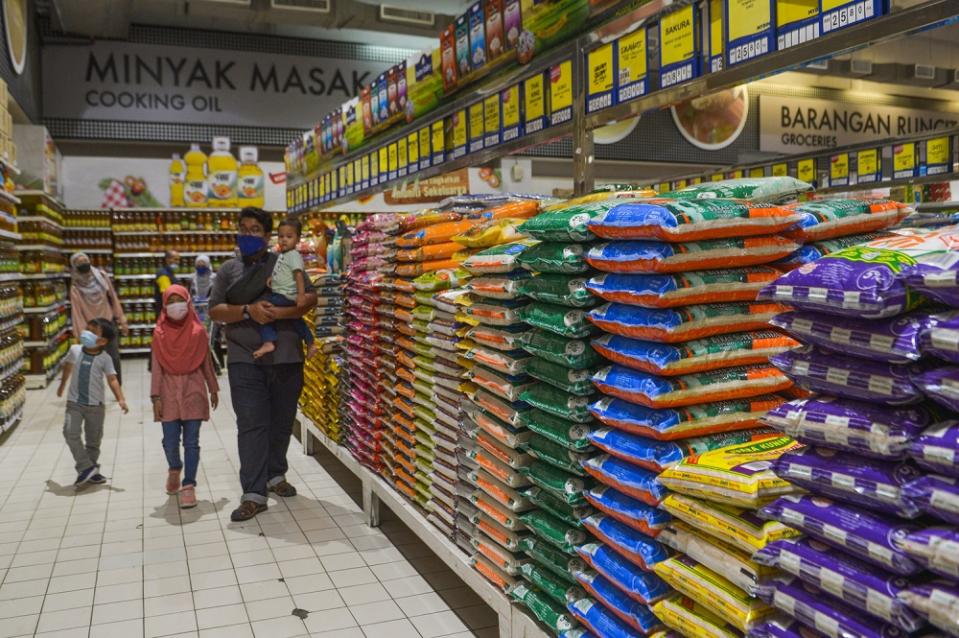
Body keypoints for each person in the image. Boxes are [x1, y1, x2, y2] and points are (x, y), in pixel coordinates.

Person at [209, 207, 317, 522]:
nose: (247, 234)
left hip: (286, 357)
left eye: (255, 229)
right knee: (252, 424)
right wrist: (247, 312)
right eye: (243, 228)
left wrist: (279, 315)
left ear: (267, 236)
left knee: (282, 422)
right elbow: (216, 310)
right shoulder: (229, 269)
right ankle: (254, 492)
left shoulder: (285, 260)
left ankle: (274, 474)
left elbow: (310, 298)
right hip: (245, 358)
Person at [151, 284, 219, 509]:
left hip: (193, 391)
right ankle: (174, 468)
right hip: (168, 392)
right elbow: (157, 367)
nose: (174, 306)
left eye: (178, 301)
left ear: (188, 302)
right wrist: (155, 396)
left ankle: (188, 485)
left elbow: (206, 362)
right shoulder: (159, 334)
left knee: (192, 442)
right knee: (170, 441)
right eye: (169, 302)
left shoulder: (198, 332)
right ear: (164, 305)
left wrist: (213, 388)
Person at [56, 318, 129, 487]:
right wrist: (61, 386)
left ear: (102, 341)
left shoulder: (105, 358)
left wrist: (121, 399)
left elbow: (112, 380)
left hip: (96, 406)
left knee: (93, 441)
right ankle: (85, 466)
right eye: (87, 329)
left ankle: (90, 470)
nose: (86, 334)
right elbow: (67, 367)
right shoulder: (75, 350)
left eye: (92, 332)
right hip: (74, 403)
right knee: (69, 432)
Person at [252, 219, 316, 359]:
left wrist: (301, 295)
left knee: (264, 311)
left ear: (298, 239)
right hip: (283, 294)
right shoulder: (283, 255)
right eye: (281, 236)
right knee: (296, 319)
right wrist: (272, 280)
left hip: (286, 296)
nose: (284, 240)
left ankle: (268, 341)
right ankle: (310, 342)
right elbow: (281, 272)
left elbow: (298, 276)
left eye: (289, 236)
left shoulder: (293, 255)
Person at [69, 252, 128, 385]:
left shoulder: (101, 276)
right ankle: (95, 389)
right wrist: (80, 333)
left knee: (113, 356)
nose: (83, 264)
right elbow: (77, 312)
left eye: (85, 260)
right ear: (74, 266)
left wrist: (122, 319)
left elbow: (113, 297)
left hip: (108, 322)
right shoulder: (75, 287)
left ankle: (117, 385)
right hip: (92, 328)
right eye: (79, 262)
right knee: (93, 360)